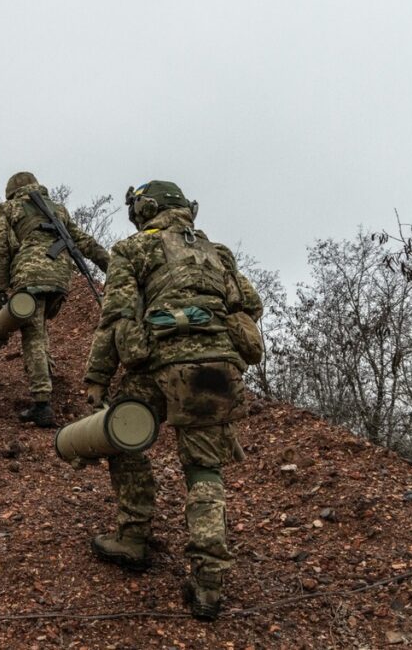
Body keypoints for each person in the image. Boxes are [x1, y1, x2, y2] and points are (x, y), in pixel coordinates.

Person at [82, 180, 262, 620]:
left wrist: (97, 376)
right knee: (204, 470)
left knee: (124, 431)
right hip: (218, 369)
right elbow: (250, 305)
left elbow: (116, 317)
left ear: (145, 211)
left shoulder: (132, 250)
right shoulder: (218, 252)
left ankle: (134, 535)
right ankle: (208, 584)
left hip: (159, 367)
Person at [0, 171, 110, 427]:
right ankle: (48, 376)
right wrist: (111, 266)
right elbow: (84, 242)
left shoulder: (7, 208)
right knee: (40, 326)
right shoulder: (56, 209)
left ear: (11, 191)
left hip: (30, 273)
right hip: (61, 275)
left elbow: (1, 247)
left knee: (32, 333)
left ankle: (42, 403)